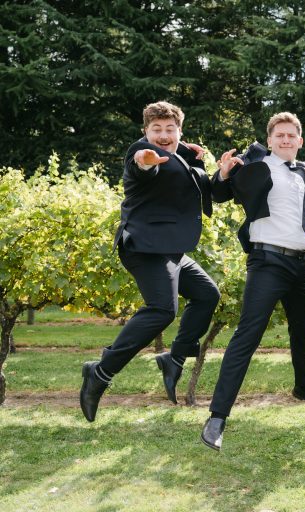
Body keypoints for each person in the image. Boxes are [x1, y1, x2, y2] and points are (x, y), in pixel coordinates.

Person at [201, 112, 305, 451]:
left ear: (300, 140)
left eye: (291, 135)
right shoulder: (258, 167)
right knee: (247, 336)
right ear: (269, 140)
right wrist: (223, 173)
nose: (285, 140)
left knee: (304, 332)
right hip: (268, 262)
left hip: (301, 265)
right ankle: (217, 418)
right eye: (279, 135)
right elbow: (222, 192)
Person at [80, 101, 220, 421]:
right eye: (155, 129)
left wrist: (190, 153)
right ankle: (100, 373)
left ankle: (175, 358)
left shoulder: (179, 153)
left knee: (206, 294)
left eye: (170, 129)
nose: (163, 134)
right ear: (145, 132)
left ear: (179, 131)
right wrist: (145, 160)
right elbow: (143, 166)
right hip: (143, 247)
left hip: (169, 249)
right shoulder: (140, 153)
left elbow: (177, 164)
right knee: (162, 309)